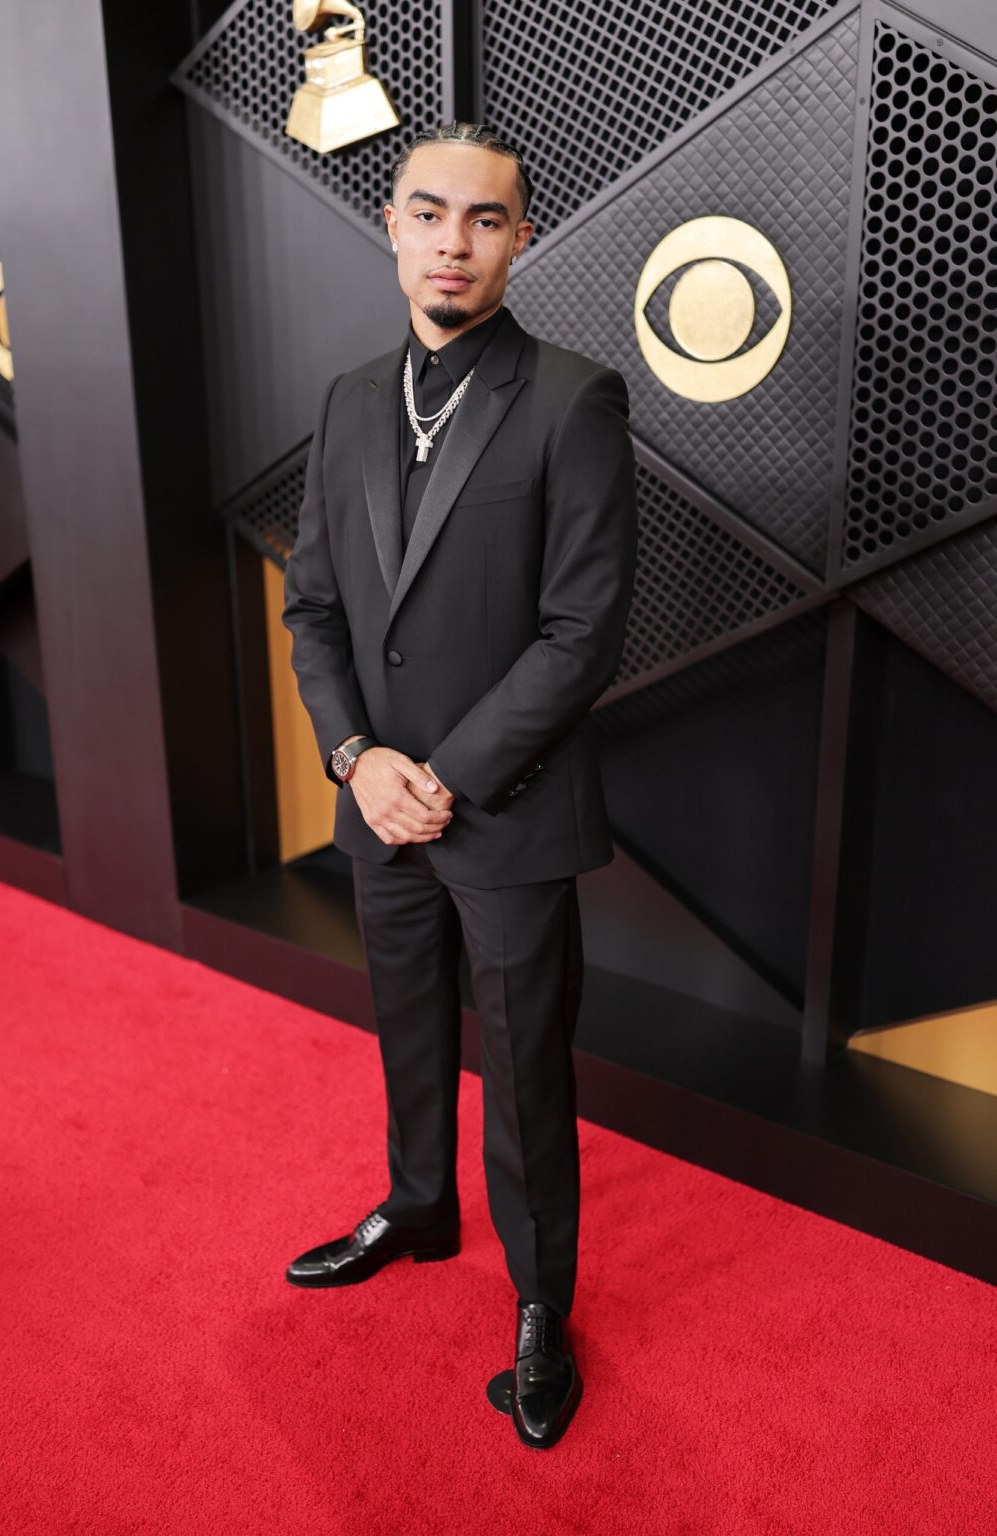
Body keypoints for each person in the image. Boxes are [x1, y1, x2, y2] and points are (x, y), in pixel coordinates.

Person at [281, 120, 638, 1450]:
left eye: (485, 220)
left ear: (520, 239)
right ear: (391, 225)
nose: (453, 242)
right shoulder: (346, 400)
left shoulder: (575, 399)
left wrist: (444, 775)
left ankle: (542, 1302)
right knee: (408, 1023)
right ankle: (420, 1204)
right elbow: (315, 610)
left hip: (510, 807)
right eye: (429, 213)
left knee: (527, 1070)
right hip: (377, 801)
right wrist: (358, 760)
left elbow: (582, 634)